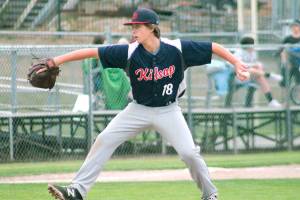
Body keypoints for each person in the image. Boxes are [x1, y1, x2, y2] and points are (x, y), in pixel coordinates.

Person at [46, 8, 249, 200]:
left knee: (189, 153)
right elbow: (92, 52)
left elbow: (213, 47)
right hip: (138, 109)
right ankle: (77, 191)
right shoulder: (129, 52)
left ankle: (209, 194)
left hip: (168, 110)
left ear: (152, 27)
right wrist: (56, 61)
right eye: (132, 26)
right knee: (105, 138)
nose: (133, 30)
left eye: (138, 26)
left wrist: (237, 63)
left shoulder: (176, 48)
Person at [234, 36, 282, 107]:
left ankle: (271, 101)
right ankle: (268, 75)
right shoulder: (238, 52)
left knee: (260, 76)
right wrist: (253, 65)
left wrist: (258, 65)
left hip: (251, 75)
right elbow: (240, 65)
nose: (253, 47)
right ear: (247, 46)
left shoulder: (253, 52)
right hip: (238, 75)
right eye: (252, 45)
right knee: (251, 69)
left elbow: (255, 63)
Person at [280, 19, 300, 86]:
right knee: (285, 82)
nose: (294, 28)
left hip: (298, 61)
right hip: (290, 62)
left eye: (296, 26)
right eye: (293, 26)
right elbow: (282, 50)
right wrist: (284, 62)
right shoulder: (287, 39)